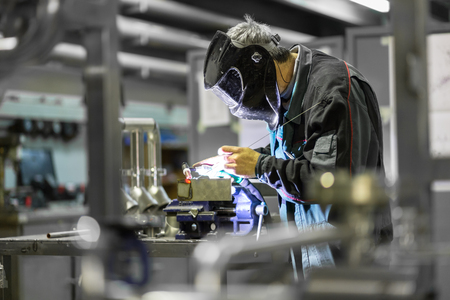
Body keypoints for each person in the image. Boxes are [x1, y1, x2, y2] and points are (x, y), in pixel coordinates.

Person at [193, 15, 392, 277]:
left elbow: (327, 182)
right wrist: (248, 158)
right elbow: (296, 152)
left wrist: (259, 165)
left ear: (258, 64)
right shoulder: (285, 93)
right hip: (311, 253)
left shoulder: (332, 89)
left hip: (349, 259)